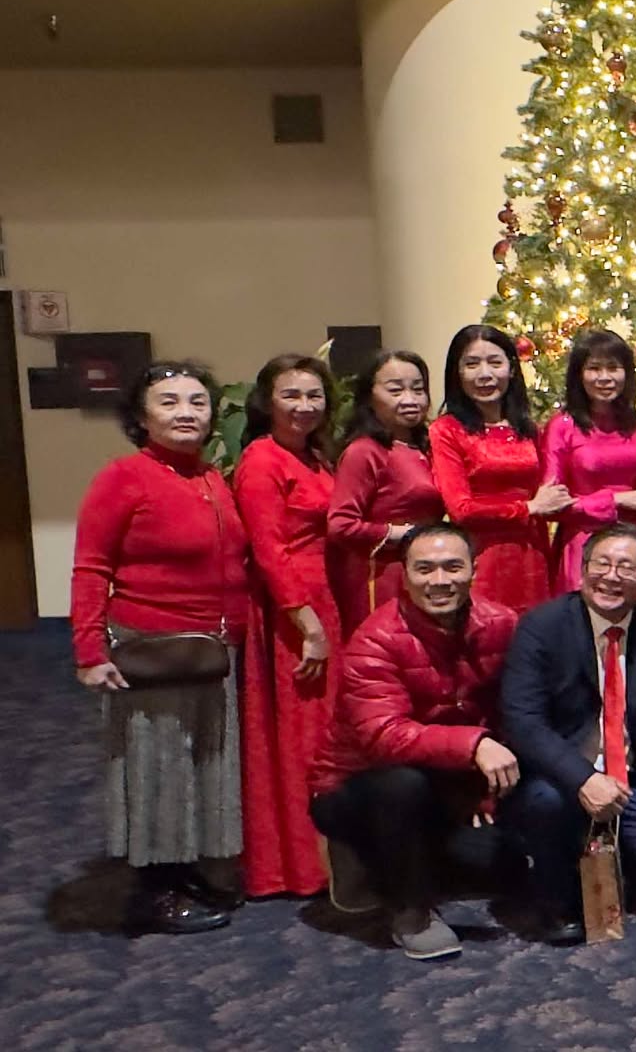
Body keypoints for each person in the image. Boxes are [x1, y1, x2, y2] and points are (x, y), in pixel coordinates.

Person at [72, 362, 254, 934]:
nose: (186, 413)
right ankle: (153, 893)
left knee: (202, 768)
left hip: (213, 651)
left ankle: (184, 872)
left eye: (197, 402)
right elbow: (90, 568)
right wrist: (89, 652)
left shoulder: (211, 478)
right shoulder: (123, 478)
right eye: (169, 402)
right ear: (142, 416)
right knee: (158, 771)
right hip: (152, 651)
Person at [308, 524, 522, 960]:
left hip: (450, 777)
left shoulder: (502, 624)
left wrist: (485, 791)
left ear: (474, 570)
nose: (439, 580)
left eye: (452, 567)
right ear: (404, 575)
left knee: (500, 866)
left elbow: (511, 712)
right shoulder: (375, 638)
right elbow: (384, 737)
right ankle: (411, 913)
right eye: (424, 569)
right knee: (401, 785)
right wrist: (476, 746)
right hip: (359, 784)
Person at [498, 524, 636, 942]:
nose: (611, 577)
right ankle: (556, 900)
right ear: (582, 570)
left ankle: (614, 859)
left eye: (626, 568)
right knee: (546, 804)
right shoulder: (543, 626)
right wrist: (584, 779)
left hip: (628, 781)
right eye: (602, 564)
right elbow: (523, 721)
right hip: (559, 777)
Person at [233, 353, 341, 899]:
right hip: (292, 608)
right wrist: (307, 625)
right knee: (301, 737)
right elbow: (268, 551)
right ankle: (298, 865)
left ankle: (334, 855)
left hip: (326, 597)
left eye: (313, 395)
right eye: (291, 395)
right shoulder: (261, 460)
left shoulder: (315, 457)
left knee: (326, 731)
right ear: (267, 402)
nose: (304, 406)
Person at [429, 325, 567, 613]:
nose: (485, 374)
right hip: (482, 560)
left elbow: (549, 493)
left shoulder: (528, 428)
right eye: (472, 364)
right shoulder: (447, 430)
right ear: (457, 373)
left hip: (534, 556)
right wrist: (529, 508)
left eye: (495, 362)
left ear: (512, 369)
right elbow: (460, 510)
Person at [327, 350, 443, 641]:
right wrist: (399, 533)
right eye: (395, 390)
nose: (410, 399)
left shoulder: (429, 446)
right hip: (383, 577)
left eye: (418, 389)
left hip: (428, 574)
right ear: (369, 397)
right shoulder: (365, 451)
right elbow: (340, 524)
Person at [539, 330, 636, 593]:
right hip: (584, 547)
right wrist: (618, 500)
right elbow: (551, 506)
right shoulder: (562, 426)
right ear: (579, 375)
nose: (605, 377)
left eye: (613, 368)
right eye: (594, 368)